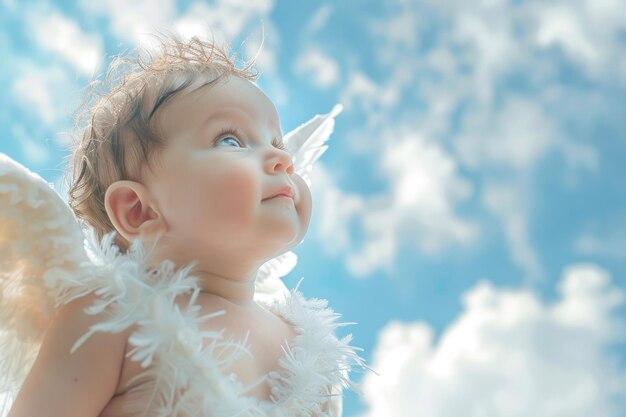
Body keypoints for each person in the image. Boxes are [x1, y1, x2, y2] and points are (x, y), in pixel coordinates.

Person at [0, 33, 364, 417]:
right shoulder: (113, 320)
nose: (281, 159)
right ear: (140, 212)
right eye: (230, 140)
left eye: (278, 143)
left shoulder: (310, 357)